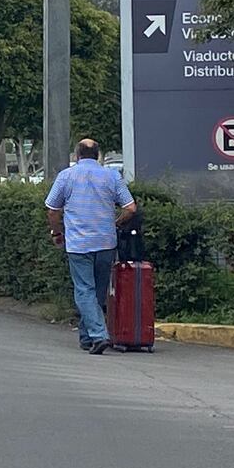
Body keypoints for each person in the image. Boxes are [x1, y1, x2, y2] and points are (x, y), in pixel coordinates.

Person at [45, 139, 137, 355]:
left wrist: (57, 232)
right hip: (106, 242)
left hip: (78, 244)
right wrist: (116, 223)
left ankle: (98, 335)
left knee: (84, 290)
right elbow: (131, 208)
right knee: (98, 290)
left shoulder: (66, 176)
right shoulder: (112, 176)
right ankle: (87, 339)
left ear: (77, 155)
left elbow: (52, 210)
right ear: (98, 155)